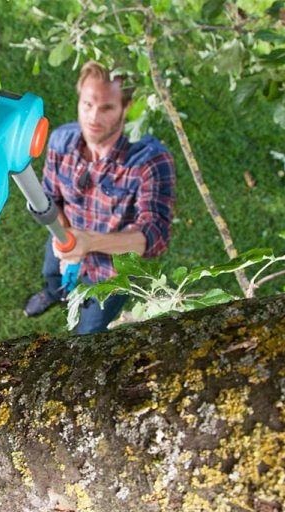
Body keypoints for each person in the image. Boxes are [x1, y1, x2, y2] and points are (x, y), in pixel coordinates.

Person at [23, 60, 176, 334]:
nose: (93, 117)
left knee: (88, 333)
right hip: (62, 240)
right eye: (88, 104)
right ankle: (53, 294)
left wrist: (89, 242)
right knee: (52, 276)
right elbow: (50, 196)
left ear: (126, 107)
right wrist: (66, 237)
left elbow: (155, 235)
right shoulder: (61, 140)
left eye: (107, 108)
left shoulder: (149, 162)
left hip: (110, 274)